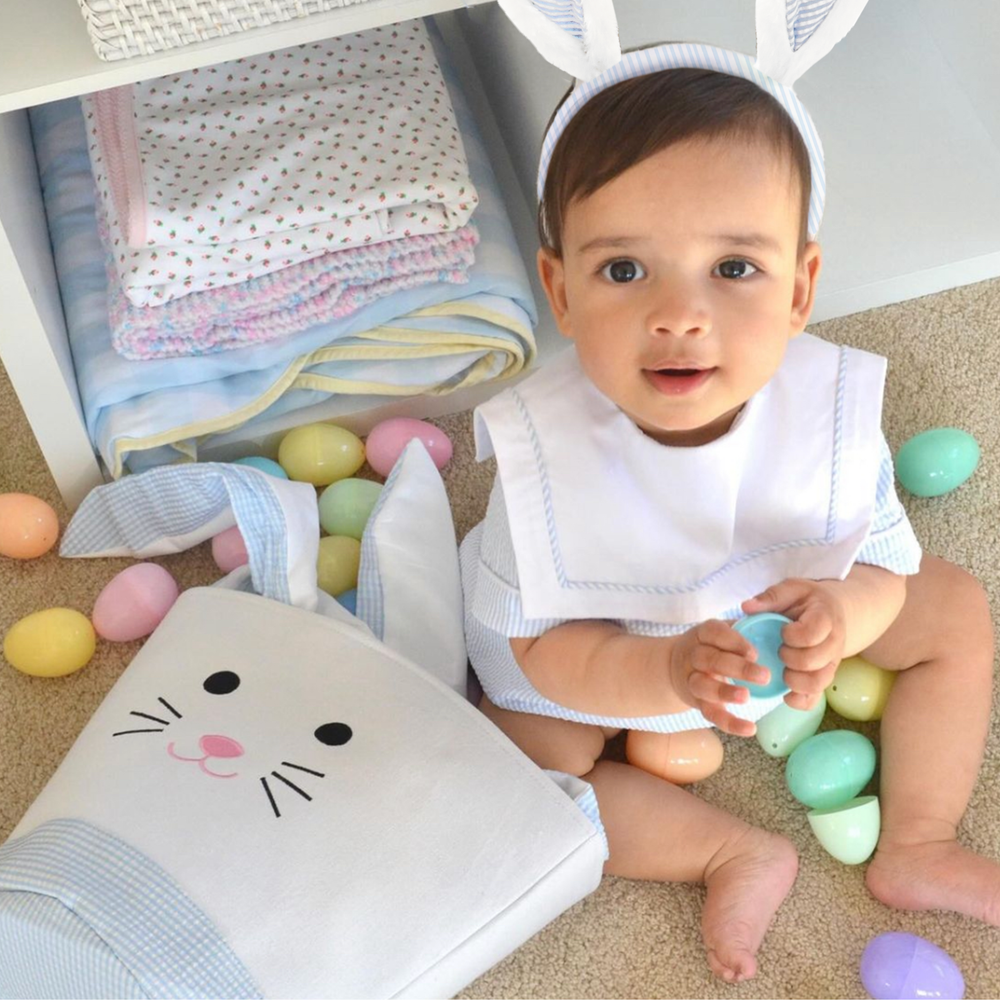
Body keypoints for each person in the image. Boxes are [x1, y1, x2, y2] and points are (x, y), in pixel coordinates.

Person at [459, 42, 997, 984]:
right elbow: (548, 648)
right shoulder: (551, 461)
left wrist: (843, 618)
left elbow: (879, 561)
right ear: (561, 294)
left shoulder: (820, 419)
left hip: (781, 616)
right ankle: (725, 852)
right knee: (521, 765)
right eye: (624, 270)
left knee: (953, 608)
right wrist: (663, 672)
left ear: (799, 288)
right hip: (609, 636)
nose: (680, 314)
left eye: (735, 268)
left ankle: (917, 840)